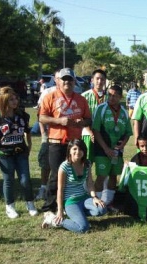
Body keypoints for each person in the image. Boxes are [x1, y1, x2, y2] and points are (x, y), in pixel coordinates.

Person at [39, 68, 92, 212]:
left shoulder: (81, 99)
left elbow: (89, 120)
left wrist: (82, 122)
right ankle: (49, 208)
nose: (67, 81)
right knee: (56, 175)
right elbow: (41, 117)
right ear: (58, 81)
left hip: (74, 144)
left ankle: (69, 204)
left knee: (74, 174)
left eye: (70, 79)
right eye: (64, 79)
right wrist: (59, 121)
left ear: (74, 81)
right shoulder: (50, 97)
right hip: (56, 142)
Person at [41, 139, 107, 232]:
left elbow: (90, 183)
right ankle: (53, 219)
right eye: (74, 149)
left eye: (80, 149)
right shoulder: (64, 167)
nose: (78, 152)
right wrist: (60, 210)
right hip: (70, 201)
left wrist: (95, 197)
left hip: (84, 197)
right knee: (82, 228)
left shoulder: (87, 163)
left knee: (102, 209)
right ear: (70, 151)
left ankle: (79, 216)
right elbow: (60, 190)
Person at [0, 87, 37, 218]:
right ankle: (10, 207)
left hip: (20, 152)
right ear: (3, 101)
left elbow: (27, 131)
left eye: (15, 98)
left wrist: (29, 144)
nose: (15, 101)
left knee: (25, 179)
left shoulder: (21, 115)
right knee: (9, 180)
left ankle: (30, 203)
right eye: (11, 99)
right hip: (4, 154)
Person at [92, 85, 132, 206]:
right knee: (101, 176)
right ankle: (97, 203)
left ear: (120, 97)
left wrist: (121, 146)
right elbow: (96, 131)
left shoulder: (124, 112)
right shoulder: (101, 108)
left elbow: (128, 133)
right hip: (102, 149)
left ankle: (108, 202)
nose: (111, 98)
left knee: (113, 176)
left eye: (114, 95)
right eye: (109, 95)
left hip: (116, 151)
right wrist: (106, 149)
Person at [35, 70, 60, 201]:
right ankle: (43, 188)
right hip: (48, 133)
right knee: (46, 163)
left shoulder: (71, 93)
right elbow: (40, 115)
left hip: (63, 136)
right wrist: (43, 133)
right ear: (55, 79)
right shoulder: (47, 92)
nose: (61, 80)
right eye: (58, 78)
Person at [81, 69, 108, 161]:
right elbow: (81, 116)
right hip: (88, 134)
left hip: (104, 135)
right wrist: (90, 132)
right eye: (97, 79)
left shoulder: (109, 97)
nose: (99, 81)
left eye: (102, 79)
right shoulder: (84, 96)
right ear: (92, 80)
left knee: (103, 161)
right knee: (86, 161)